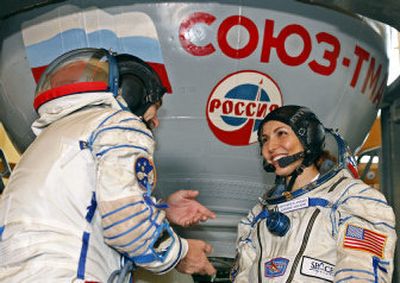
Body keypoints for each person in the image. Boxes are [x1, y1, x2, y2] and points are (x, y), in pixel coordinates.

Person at [0, 48, 216, 282]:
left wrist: (160, 209)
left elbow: (82, 205)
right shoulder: (119, 125)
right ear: (133, 94)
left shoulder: (48, 140)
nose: (155, 120)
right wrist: (182, 254)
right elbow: (126, 223)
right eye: (156, 107)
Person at [230, 105, 397, 282]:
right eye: (264, 139)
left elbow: (360, 274)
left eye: (281, 134)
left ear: (309, 138)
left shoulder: (353, 199)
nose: (270, 147)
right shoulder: (257, 216)